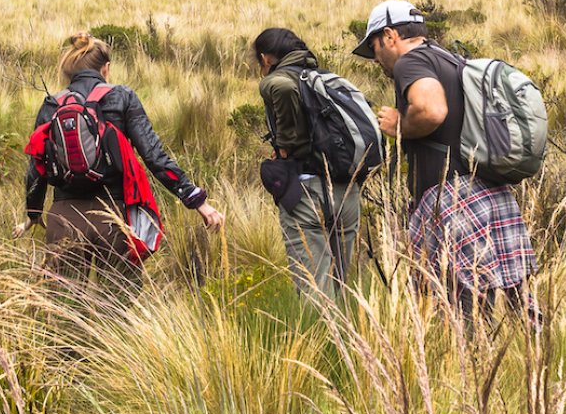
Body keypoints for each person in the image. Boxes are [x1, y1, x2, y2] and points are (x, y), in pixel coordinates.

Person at [353, 0, 537, 321]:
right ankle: (536, 359)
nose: (376, 59)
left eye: (374, 47)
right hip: (486, 189)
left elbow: (432, 110)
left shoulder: (409, 63)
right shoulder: (450, 59)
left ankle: (467, 367)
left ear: (390, 35)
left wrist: (401, 125)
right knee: (514, 295)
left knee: (459, 304)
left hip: (451, 198)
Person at [18, 33, 225, 277]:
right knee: (118, 303)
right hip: (113, 216)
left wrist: (33, 212)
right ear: (106, 69)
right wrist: (196, 200)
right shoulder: (122, 96)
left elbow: (37, 166)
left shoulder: (52, 103)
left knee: (66, 306)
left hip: (64, 216)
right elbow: (154, 155)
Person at [253, 27, 363, 300]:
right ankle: (352, 341)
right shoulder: (324, 78)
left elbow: (281, 87)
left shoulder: (276, 80)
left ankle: (320, 342)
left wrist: (285, 149)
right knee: (342, 285)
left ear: (266, 58)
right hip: (345, 189)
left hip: (307, 192)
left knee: (314, 288)